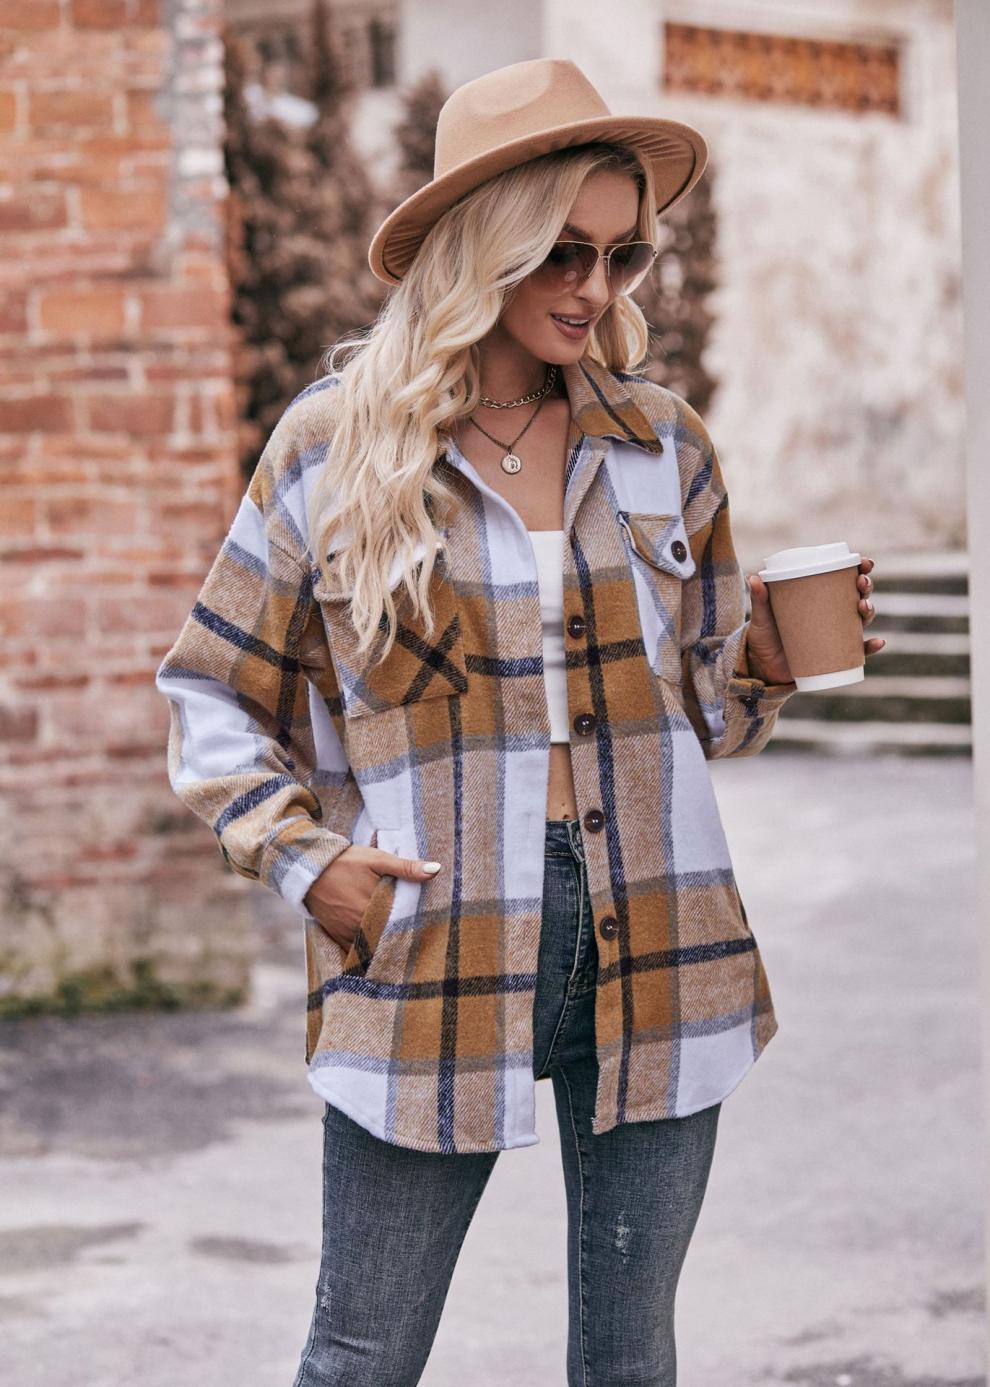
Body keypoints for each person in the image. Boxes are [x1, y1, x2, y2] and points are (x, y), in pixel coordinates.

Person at [156, 57, 884, 1387]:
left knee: (630, 1357)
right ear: (481, 243)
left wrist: (765, 662)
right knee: (361, 1353)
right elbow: (212, 687)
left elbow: (708, 709)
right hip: (429, 930)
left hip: (658, 924)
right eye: (560, 251)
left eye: (620, 254)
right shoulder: (332, 447)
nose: (593, 287)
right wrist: (306, 862)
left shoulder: (663, 444)